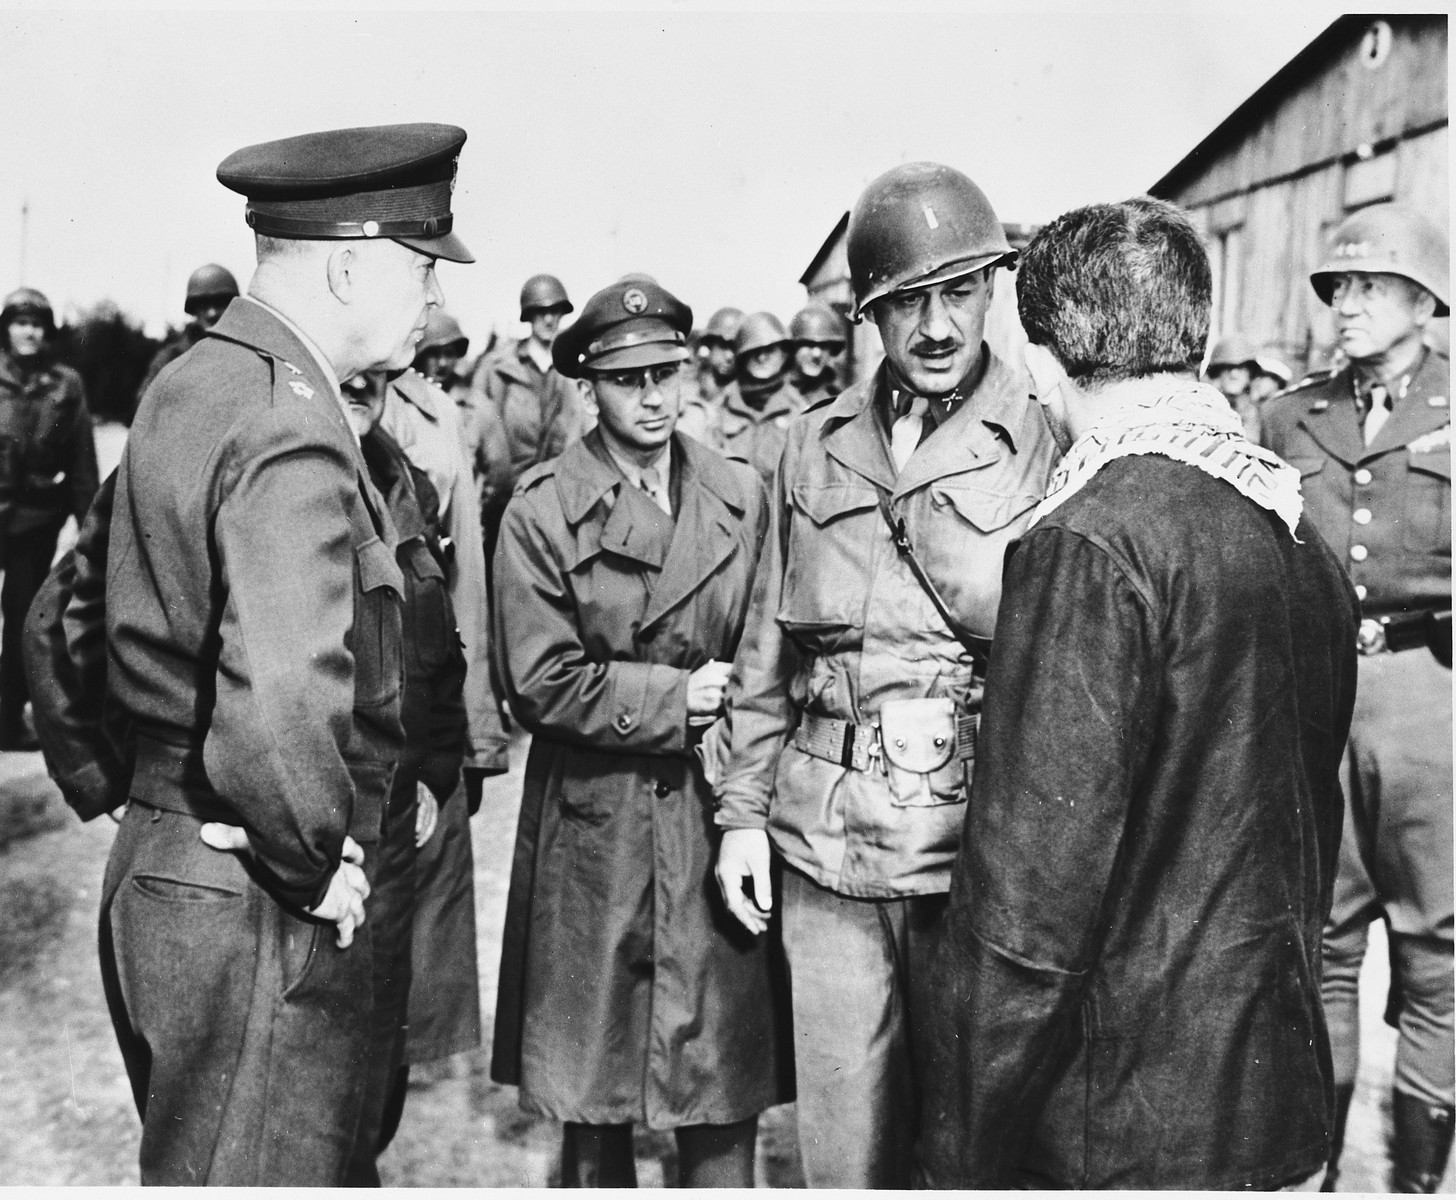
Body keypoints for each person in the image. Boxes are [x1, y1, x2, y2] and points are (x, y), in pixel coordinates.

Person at [918, 195, 1360, 1189]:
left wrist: (959, 1148)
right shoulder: (1292, 528)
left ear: (1039, 363)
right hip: (1271, 1107)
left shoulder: (1084, 542)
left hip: (1121, 1131)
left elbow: (1028, 917)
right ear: (1193, 338)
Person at [97, 122, 474, 1185]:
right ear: (351, 265)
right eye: (423, 271)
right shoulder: (293, 424)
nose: (434, 305)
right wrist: (311, 863)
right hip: (250, 888)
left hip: (176, 857)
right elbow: (280, 704)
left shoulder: (194, 380)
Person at [713, 162, 1058, 1188]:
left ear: (993, 291)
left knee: (969, 1142)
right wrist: (739, 812)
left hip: (977, 850)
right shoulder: (809, 448)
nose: (937, 325)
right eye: (906, 301)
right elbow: (764, 646)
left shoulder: (1046, 439)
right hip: (828, 851)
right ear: (868, 314)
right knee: (841, 1146)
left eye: (957, 292)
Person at [490, 276, 789, 1187]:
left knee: (720, 1102)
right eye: (629, 379)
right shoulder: (541, 508)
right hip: (595, 829)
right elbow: (537, 679)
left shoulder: (742, 492)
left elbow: (769, 648)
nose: (654, 395)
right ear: (588, 386)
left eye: (668, 372)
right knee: (594, 1105)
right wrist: (673, 697)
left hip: (712, 810)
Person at [1260, 201, 1453, 1193]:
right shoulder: (1288, 415)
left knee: (1438, 951)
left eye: (1368, 287)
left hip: (1432, 701)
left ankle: (1418, 1184)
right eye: (1336, 287)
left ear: (1425, 301)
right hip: (1317, 702)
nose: (1344, 304)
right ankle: (1316, 1173)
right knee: (1319, 943)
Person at [339, 369, 468, 1175]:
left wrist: (433, 767)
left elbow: (436, 641)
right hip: (301, 808)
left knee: (380, 1040)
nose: (363, 390)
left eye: (374, 380)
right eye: (347, 375)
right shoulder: (258, 455)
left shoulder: (401, 479)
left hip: (387, 808)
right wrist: (114, 776)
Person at [0, 286, 98, 749]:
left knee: (22, 614)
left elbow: (81, 463)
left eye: (37, 324)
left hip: (34, 522)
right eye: (19, 323)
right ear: (6, 329)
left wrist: (93, 527)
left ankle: (6, 717)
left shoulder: (65, 387)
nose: (28, 332)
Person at [473, 273, 587, 564]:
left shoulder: (576, 371)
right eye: (541, 312)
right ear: (528, 316)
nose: (549, 320)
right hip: (507, 501)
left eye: (556, 311)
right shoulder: (498, 368)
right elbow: (478, 435)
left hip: (561, 501)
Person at [706, 311, 807, 486]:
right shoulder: (719, 408)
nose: (762, 357)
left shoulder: (800, 411)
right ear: (742, 357)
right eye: (754, 351)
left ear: (784, 354)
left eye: (770, 350)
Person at [136, 263, 241, 398]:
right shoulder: (171, 358)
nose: (212, 313)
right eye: (204, 305)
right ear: (194, 309)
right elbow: (146, 408)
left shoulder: (251, 354)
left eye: (220, 303)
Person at [679, 305, 743, 441]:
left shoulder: (742, 398)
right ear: (709, 345)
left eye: (735, 348)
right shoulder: (685, 387)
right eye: (724, 346)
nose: (730, 356)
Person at [1203, 331, 1263, 441]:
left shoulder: (1259, 415)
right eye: (1228, 367)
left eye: (1241, 368)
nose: (1234, 374)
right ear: (1217, 372)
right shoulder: (1204, 411)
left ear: (1251, 373)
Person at [788, 302, 847, 405]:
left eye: (824, 346)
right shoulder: (773, 394)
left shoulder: (838, 400)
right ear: (793, 348)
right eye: (809, 344)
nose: (817, 354)